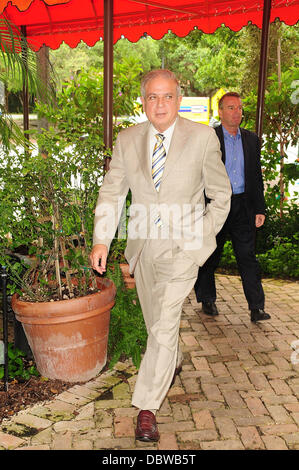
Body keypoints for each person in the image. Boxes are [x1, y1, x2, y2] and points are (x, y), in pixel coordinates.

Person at [89, 69, 231, 442]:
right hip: (142, 245)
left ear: (179, 100)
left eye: (167, 96)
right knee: (158, 324)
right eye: (152, 97)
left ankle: (147, 407)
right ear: (143, 101)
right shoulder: (128, 139)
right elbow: (112, 193)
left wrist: (203, 235)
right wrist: (102, 240)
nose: (160, 104)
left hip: (184, 247)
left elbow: (221, 194)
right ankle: (173, 360)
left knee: (166, 321)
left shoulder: (201, 137)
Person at [194, 92, 271, 323]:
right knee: (210, 254)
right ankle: (207, 298)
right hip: (216, 205)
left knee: (247, 257)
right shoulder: (209, 137)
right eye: (230, 107)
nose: (236, 112)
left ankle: (256, 307)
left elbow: (255, 176)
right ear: (220, 111)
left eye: (239, 107)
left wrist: (260, 208)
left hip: (243, 206)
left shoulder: (251, 140)